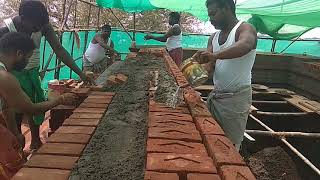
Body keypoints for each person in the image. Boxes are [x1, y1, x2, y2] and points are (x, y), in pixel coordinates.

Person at [0, 0, 93, 151]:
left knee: (24, 108)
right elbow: (27, 108)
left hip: (30, 74)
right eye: (35, 26)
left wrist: (80, 74)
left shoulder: (42, 26)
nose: (38, 30)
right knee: (18, 112)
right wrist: (60, 100)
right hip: (12, 76)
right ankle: (15, 148)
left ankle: (32, 143)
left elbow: (59, 49)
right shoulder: (6, 73)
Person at [0, 32, 77, 179]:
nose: (27, 63)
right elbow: (30, 109)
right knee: (11, 168)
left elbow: (5, 106)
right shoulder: (4, 77)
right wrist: (59, 100)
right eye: (27, 58)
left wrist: (15, 132)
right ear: (19, 54)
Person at [193, 0, 257, 151]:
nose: (211, 19)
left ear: (227, 8)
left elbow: (245, 45)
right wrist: (194, 70)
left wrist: (214, 55)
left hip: (236, 99)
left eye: (213, 13)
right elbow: (209, 67)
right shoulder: (213, 37)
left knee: (229, 145)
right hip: (217, 95)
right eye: (209, 15)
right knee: (211, 138)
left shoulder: (245, 29)